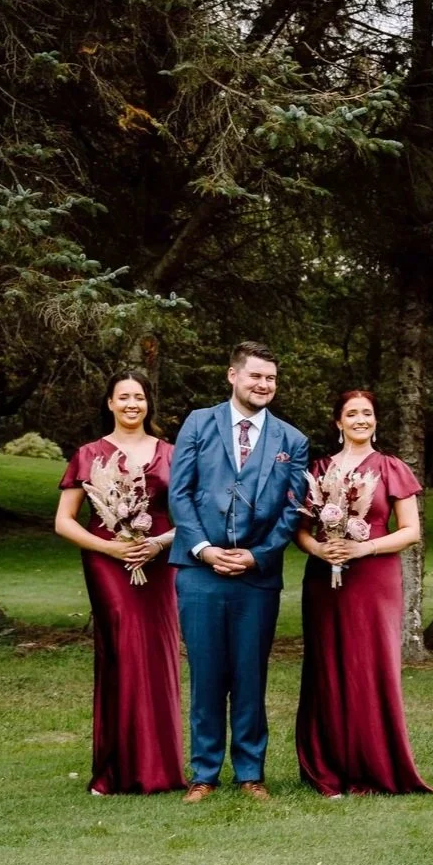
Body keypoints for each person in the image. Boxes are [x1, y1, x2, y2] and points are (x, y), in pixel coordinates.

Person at [167, 342, 309, 802]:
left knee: (250, 675)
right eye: (255, 377)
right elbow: (180, 494)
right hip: (199, 571)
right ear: (233, 376)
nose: (263, 385)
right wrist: (205, 549)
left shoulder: (292, 440)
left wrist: (259, 555)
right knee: (206, 672)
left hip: (256, 575)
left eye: (270, 378)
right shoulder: (197, 423)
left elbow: (293, 510)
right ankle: (204, 773)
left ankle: (251, 773)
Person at [293, 389, 430, 797]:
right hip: (324, 581)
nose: (360, 420)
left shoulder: (391, 468)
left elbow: (411, 531)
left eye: (367, 413)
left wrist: (363, 547)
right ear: (338, 422)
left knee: (370, 666)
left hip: (374, 579)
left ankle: (374, 763)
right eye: (351, 414)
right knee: (327, 664)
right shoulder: (317, 469)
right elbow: (300, 530)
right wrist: (319, 548)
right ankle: (327, 763)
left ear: (376, 420)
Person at [53, 371, 183, 796]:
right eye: (123, 397)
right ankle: (116, 769)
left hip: (160, 562)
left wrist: (158, 544)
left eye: (139, 397)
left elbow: (191, 519)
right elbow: (63, 521)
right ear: (109, 403)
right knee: (122, 654)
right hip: (108, 564)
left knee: (160, 654)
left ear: (149, 404)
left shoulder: (172, 454)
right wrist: (110, 549)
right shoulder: (89, 454)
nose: (132, 404)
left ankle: (162, 768)